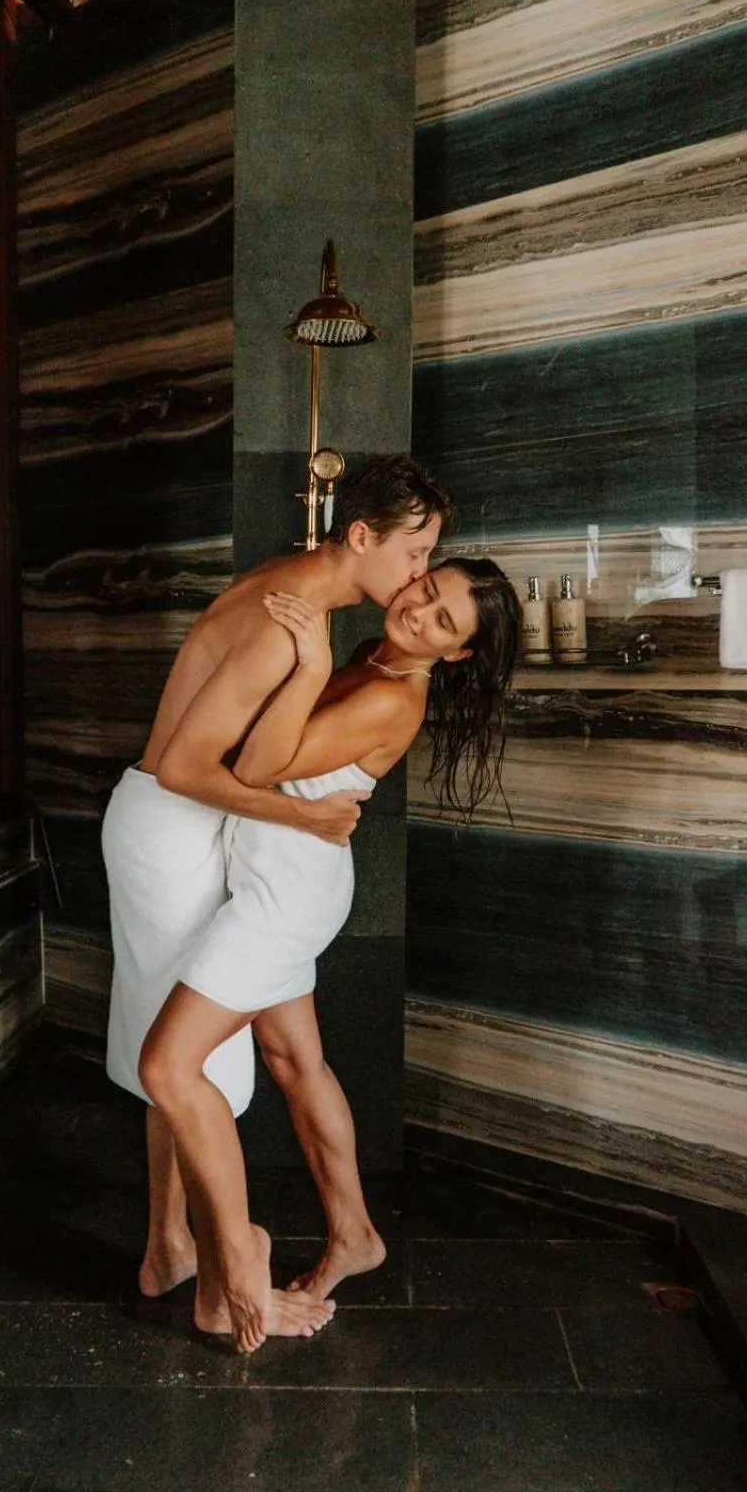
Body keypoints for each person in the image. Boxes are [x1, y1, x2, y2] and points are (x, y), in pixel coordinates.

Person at [101, 456, 454, 1332]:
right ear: (362, 538)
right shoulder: (285, 626)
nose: (419, 578)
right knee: (183, 1063)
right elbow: (189, 767)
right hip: (174, 833)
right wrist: (300, 820)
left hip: (185, 833)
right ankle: (228, 1276)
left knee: (180, 1055)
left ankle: (171, 1251)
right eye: (417, 556)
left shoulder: (294, 589)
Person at [139, 557, 522, 1351]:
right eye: (428, 587)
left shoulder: (388, 694)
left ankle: (238, 1259)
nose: (418, 609)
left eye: (444, 621)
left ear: (455, 655)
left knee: (168, 1067)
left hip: (284, 901)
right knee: (294, 1062)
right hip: (280, 882)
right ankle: (354, 1235)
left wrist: (309, 661)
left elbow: (253, 766)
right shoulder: (372, 658)